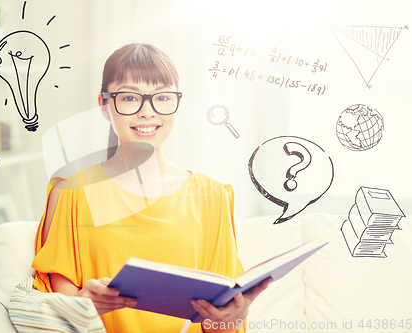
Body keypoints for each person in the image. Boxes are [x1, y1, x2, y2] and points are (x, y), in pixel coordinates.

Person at [31, 43, 272, 333]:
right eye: (130, 97)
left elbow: (219, 321)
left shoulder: (211, 195)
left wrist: (230, 319)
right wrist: (82, 304)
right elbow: (55, 302)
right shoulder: (73, 191)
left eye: (162, 97)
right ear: (105, 106)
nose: (147, 112)